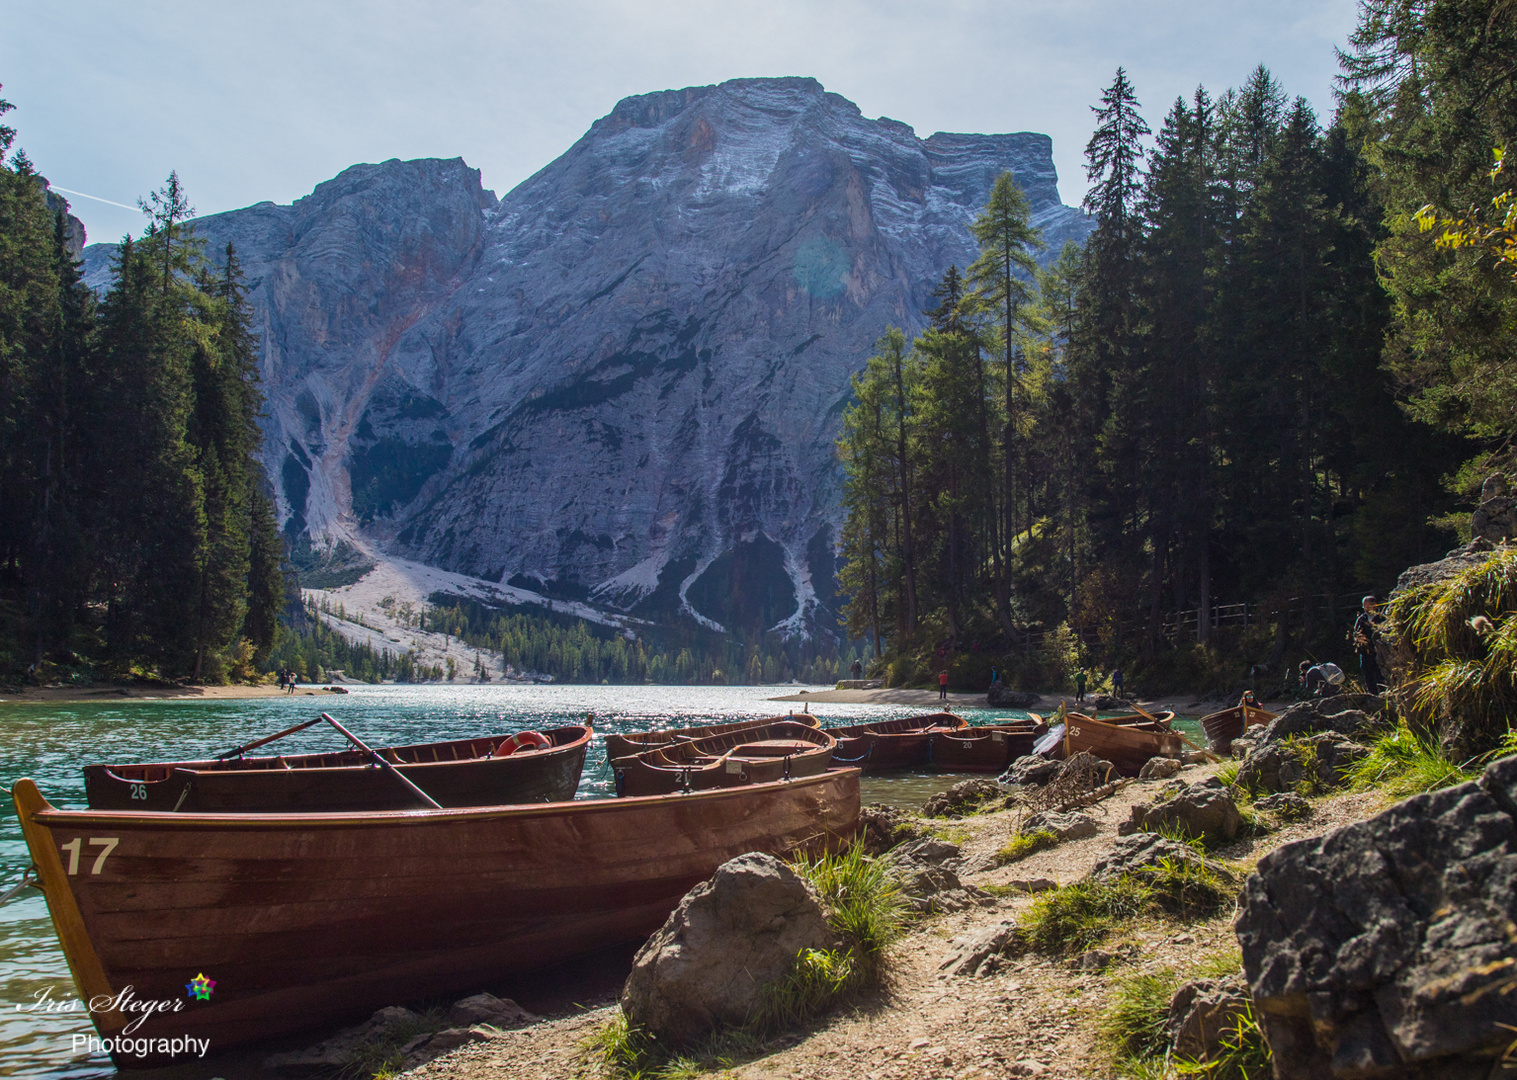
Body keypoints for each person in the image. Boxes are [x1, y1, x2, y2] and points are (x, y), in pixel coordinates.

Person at [1354, 596, 1387, 693]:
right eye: (1365, 606)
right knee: (1367, 674)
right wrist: (1358, 638)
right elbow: (1355, 632)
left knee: (1379, 674)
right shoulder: (1361, 619)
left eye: (1369, 606)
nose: (1367, 608)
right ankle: (1371, 695)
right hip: (1364, 651)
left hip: (1378, 651)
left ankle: (1383, 693)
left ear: (1375, 605)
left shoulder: (1381, 618)